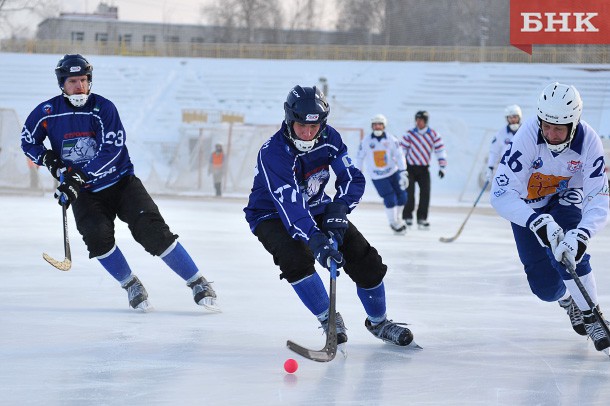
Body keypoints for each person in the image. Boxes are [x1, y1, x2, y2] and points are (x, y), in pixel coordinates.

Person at [20, 54, 219, 312]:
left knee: (153, 233)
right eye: (72, 81)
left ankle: (197, 281)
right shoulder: (47, 112)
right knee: (96, 237)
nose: (79, 86)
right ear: (62, 84)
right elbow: (28, 141)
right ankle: (131, 284)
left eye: (83, 80)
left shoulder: (103, 108)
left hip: (121, 183)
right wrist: (49, 160)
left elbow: (111, 149)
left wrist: (76, 177)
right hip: (86, 194)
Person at [244, 85, 416, 348]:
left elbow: (352, 178)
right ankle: (328, 318)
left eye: (314, 126)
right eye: (301, 126)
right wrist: (316, 240)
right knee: (295, 258)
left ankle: (379, 323)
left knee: (363, 257)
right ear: (289, 120)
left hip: (317, 205)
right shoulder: (273, 152)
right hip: (271, 213)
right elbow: (289, 205)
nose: (308, 132)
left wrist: (339, 209)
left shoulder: (329, 138)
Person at [490, 82, 610, 354]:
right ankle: (568, 300)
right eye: (546, 126)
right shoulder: (527, 135)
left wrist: (582, 234)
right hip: (528, 207)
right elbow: (500, 194)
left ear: (574, 124)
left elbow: (599, 198)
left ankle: (592, 315)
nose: (551, 134)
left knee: (570, 251)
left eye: (559, 128)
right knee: (545, 289)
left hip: (565, 197)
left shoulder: (589, 143)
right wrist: (535, 221)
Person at [355, 114, 408, 234]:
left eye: (380, 124)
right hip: (378, 176)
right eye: (375, 124)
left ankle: (398, 218)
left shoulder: (392, 139)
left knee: (403, 196)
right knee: (390, 198)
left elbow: (399, 155)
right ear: (372, 126)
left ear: (384, 126)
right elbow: (359, 157)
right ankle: (393, 223)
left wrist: (403, 171)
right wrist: (358, 173)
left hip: (393, 172)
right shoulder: (366, 141)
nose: (377, 127)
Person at [400, 110, 447, 230]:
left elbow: (440, 150)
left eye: (420, 120)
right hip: (410, 168)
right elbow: (402, 151)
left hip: (424, 169)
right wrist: (400, 167)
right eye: (417, 120)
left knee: (425, 193)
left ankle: (422, 218)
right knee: (409, 192)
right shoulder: (409, 134)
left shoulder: (433, 135)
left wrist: (442, 166)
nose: (418, 122)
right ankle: (407, 216)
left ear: (425, 121)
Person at [485, 104, 522, 182]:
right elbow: (494, 152)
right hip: (506, 168)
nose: (512, 120)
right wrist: (490, 167)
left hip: (523, 167)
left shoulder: (526, 131)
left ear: (519, 117)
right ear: (507, 119)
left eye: (515, 117)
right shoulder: (501, 134)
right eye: (510, 117)